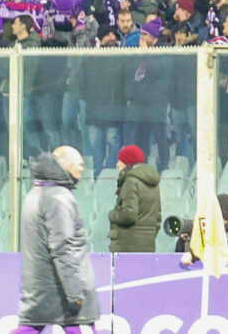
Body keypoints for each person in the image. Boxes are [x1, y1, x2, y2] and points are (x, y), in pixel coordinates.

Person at [18, 145, 99, 334]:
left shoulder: (35, 193)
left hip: (39, 289)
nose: (82, 168)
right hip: (61, 291)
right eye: (79, 164)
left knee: (28, 328)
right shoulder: (58, 197)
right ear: (65, 166)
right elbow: (63, 248)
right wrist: (75, 294)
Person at [109, 143, 163, 252]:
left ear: (127, 163)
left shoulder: (131, 181)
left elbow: (128, 215)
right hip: (148, 244)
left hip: (127, 247)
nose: (117, 164)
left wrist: (112, 214)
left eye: (120, 161)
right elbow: (157, 217)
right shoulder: (154, 183)